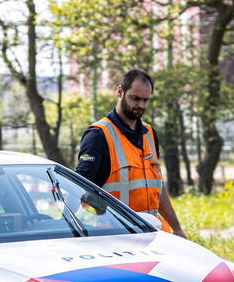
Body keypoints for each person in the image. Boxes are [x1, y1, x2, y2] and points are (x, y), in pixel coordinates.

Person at [75, 69, 186, 237]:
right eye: (135, 98)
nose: (140, 105)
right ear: (120, 91)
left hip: (149, 233)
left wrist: (176, 228)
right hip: (112, 236)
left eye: (145, 100)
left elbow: (158, 186)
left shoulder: (149, 133)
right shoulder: (98, 136)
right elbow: (79, 188)